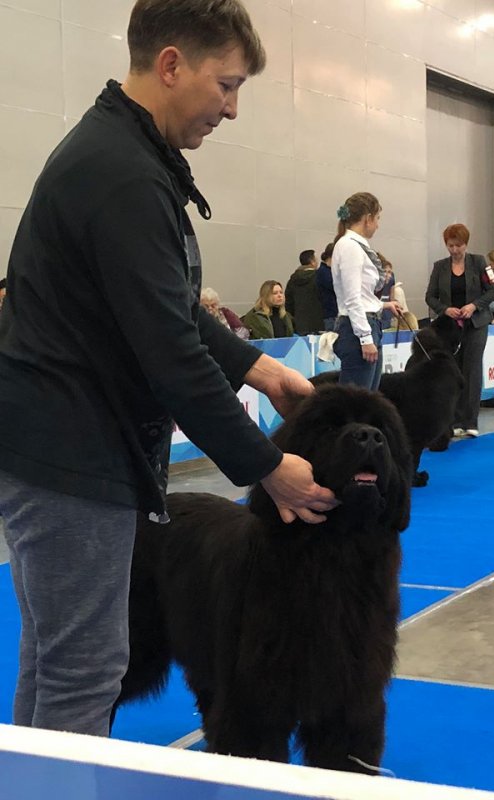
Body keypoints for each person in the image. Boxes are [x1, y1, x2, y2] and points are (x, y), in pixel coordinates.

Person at [0, 0, 337, 739]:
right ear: (171, 64)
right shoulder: (121, 175)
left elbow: (165, 310)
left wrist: (257, 367)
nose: (233, 108)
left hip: (61, 453)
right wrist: (267, 465)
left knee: (56, 665)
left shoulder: (126, 157)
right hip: (71, 461)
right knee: (84, 671)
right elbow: (169, 353)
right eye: (227, 85)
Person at [425, 223, 494, 438]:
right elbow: (430, 296)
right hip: (449, 328)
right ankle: (453, 420)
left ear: (466, 244)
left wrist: (474, 305)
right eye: (450, 245)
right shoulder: (439, 267)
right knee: (451, 372)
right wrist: (445, 309)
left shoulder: (479, 262)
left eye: (459, 245)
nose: (455, 250)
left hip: (476, 324)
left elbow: (492, 290)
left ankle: (470, 420)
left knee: (472, 370)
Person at [331, 192, 402, 390]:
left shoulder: (357, 246)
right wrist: (365, 338)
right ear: (368, 218)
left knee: (369, 400)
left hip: (368, 323)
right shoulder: (350, 247)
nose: (378, 224)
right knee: (356, 403)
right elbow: (353, 298)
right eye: (377, 218)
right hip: (358, 330)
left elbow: (361, 296)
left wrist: (383, 304)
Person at [284, 250, 324, 335]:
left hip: (299, 325)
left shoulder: (292, 280)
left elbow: (288, 303)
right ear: (312, 262)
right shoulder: (318, 277)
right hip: (319, 323)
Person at [315, 242, 337, 331]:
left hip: (334, 314)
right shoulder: (323, 272)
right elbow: (335, 286)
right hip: (330, 315)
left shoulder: (329, 271)